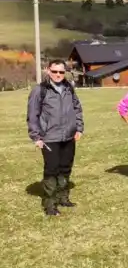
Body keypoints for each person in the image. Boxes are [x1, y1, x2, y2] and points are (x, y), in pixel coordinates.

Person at [26, 59, 84, 216]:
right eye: (55, 71)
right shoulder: (40, 90)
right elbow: (32, 115)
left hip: (69, 136)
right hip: (49, 137)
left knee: (65, 167)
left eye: (61, 72)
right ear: (48, 70)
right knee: (52, 169)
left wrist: (79, 128)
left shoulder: (68, 87)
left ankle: (63, 198)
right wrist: (36, 137)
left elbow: (77, 108)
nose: (58, 75)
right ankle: (50, 205)